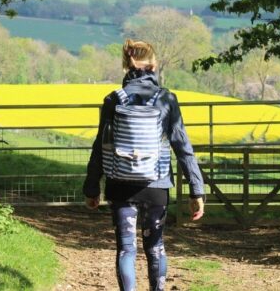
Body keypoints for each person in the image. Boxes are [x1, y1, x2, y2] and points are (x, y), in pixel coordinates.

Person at [83, 39, 206, 291]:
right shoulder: (166, 99)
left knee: (126, 249)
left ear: (126, 65)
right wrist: (197, 190)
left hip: (120, 185)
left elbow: (100, 145)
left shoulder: (113, 100)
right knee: (155, 247)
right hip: (156, 185)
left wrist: (92, 187)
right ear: (154, 65)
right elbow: (182, 147)